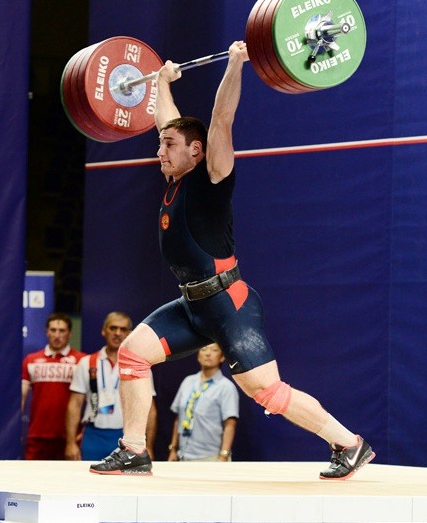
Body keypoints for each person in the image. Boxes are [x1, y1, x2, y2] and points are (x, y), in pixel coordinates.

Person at [90, 41, 375, 479]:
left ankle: (349, 444)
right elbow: (170, 122)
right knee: (132, 355)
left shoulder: (212, 178)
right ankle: (133, 450)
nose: (160, 150)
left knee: (267, 392)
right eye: (161, 143)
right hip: (193, 306)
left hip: (230, 305)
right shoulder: (178, 174)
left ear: (197, 150)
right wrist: (161, 83)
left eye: (168, 145)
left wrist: (236, 64)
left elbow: (221, 119)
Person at [65, 311, 158, 461]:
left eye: (123, 329)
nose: (117, 333)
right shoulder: (86, 363)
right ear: (104, 331)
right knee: (88, 476)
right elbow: (74, 405)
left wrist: (150, 446)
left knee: (125, 477)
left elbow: (149, 409)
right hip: (93, 435)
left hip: (126, 437)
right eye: (113, 328)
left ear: (130, 334)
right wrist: (70, 443)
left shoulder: (139, 366)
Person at [21, 312, 86, 460]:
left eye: (62, 331)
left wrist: (86, 431)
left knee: (68, 475)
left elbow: (92, 398)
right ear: (47, 332)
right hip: (37, 435)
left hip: (70, 437)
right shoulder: (31, 360)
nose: (57, 335)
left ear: (69, 333)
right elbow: (21, 398)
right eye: (53, 330)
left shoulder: (81, 361)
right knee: (33, 474)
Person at [168, 343, 239, 462]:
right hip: (183, 455)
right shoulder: (188, 382)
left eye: (214, 350)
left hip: (210, 457)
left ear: (222, 357)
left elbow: (230, 424)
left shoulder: (226, 387)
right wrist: (173, 449)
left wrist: (223, 456)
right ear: (198, 355)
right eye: (203, 349)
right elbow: (179, 418)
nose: (208, 353)